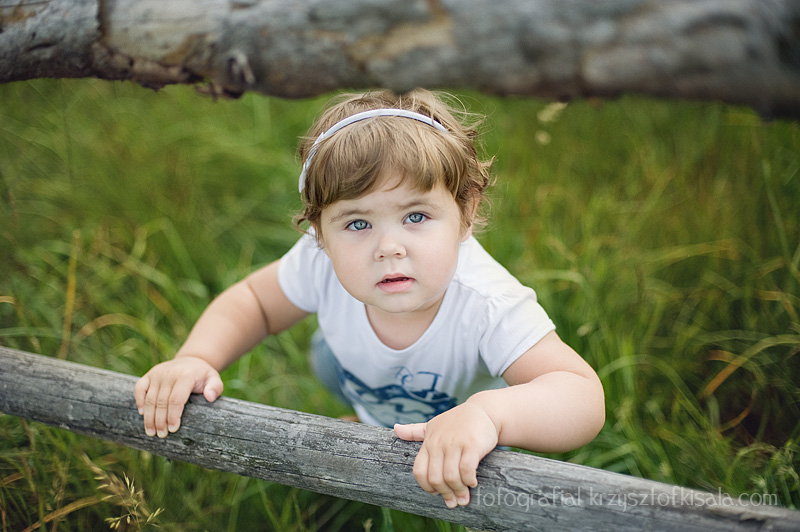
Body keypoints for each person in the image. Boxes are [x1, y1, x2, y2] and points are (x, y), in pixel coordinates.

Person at [134, 89, 605, 509]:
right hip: (363, 374)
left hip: (468, 427)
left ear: (466, 212)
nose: (389, 247)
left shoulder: (487, 303)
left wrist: (489, 416)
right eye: (358, 224)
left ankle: (435, 432)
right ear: (320, 233)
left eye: (416, 216)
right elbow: (254, 302)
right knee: (325, 357)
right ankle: (370, 420)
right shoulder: (319, 262)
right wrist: (195, 357)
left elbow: (581, 398)